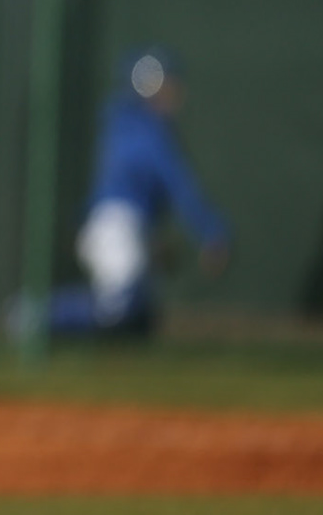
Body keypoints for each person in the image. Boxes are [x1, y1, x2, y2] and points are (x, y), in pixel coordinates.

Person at [46, 48, 230, 335]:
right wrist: (213, 233)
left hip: (123, 229)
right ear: (150, 87)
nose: (177, 93)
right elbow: (180, 187)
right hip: (115, 230)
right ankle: (30, 313)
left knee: (140, 318)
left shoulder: (123, 126)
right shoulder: (148, 132)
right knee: (119, 309)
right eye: (170, 84)